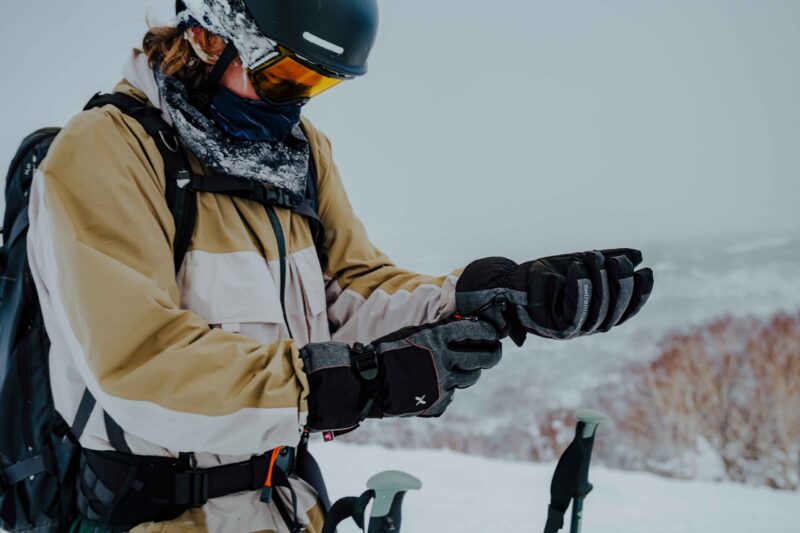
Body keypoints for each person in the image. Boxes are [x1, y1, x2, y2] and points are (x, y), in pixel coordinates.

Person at [25, 1, 653, 531]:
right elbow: (140, 364)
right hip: (158, 513)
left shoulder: (299, 154)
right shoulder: (108, 150)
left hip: (287, 504)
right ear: (207, 35)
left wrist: (485, 296)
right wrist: (350, 382)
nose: (293, 105)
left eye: (316, 84)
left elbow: (353, 292)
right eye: (285, 75)